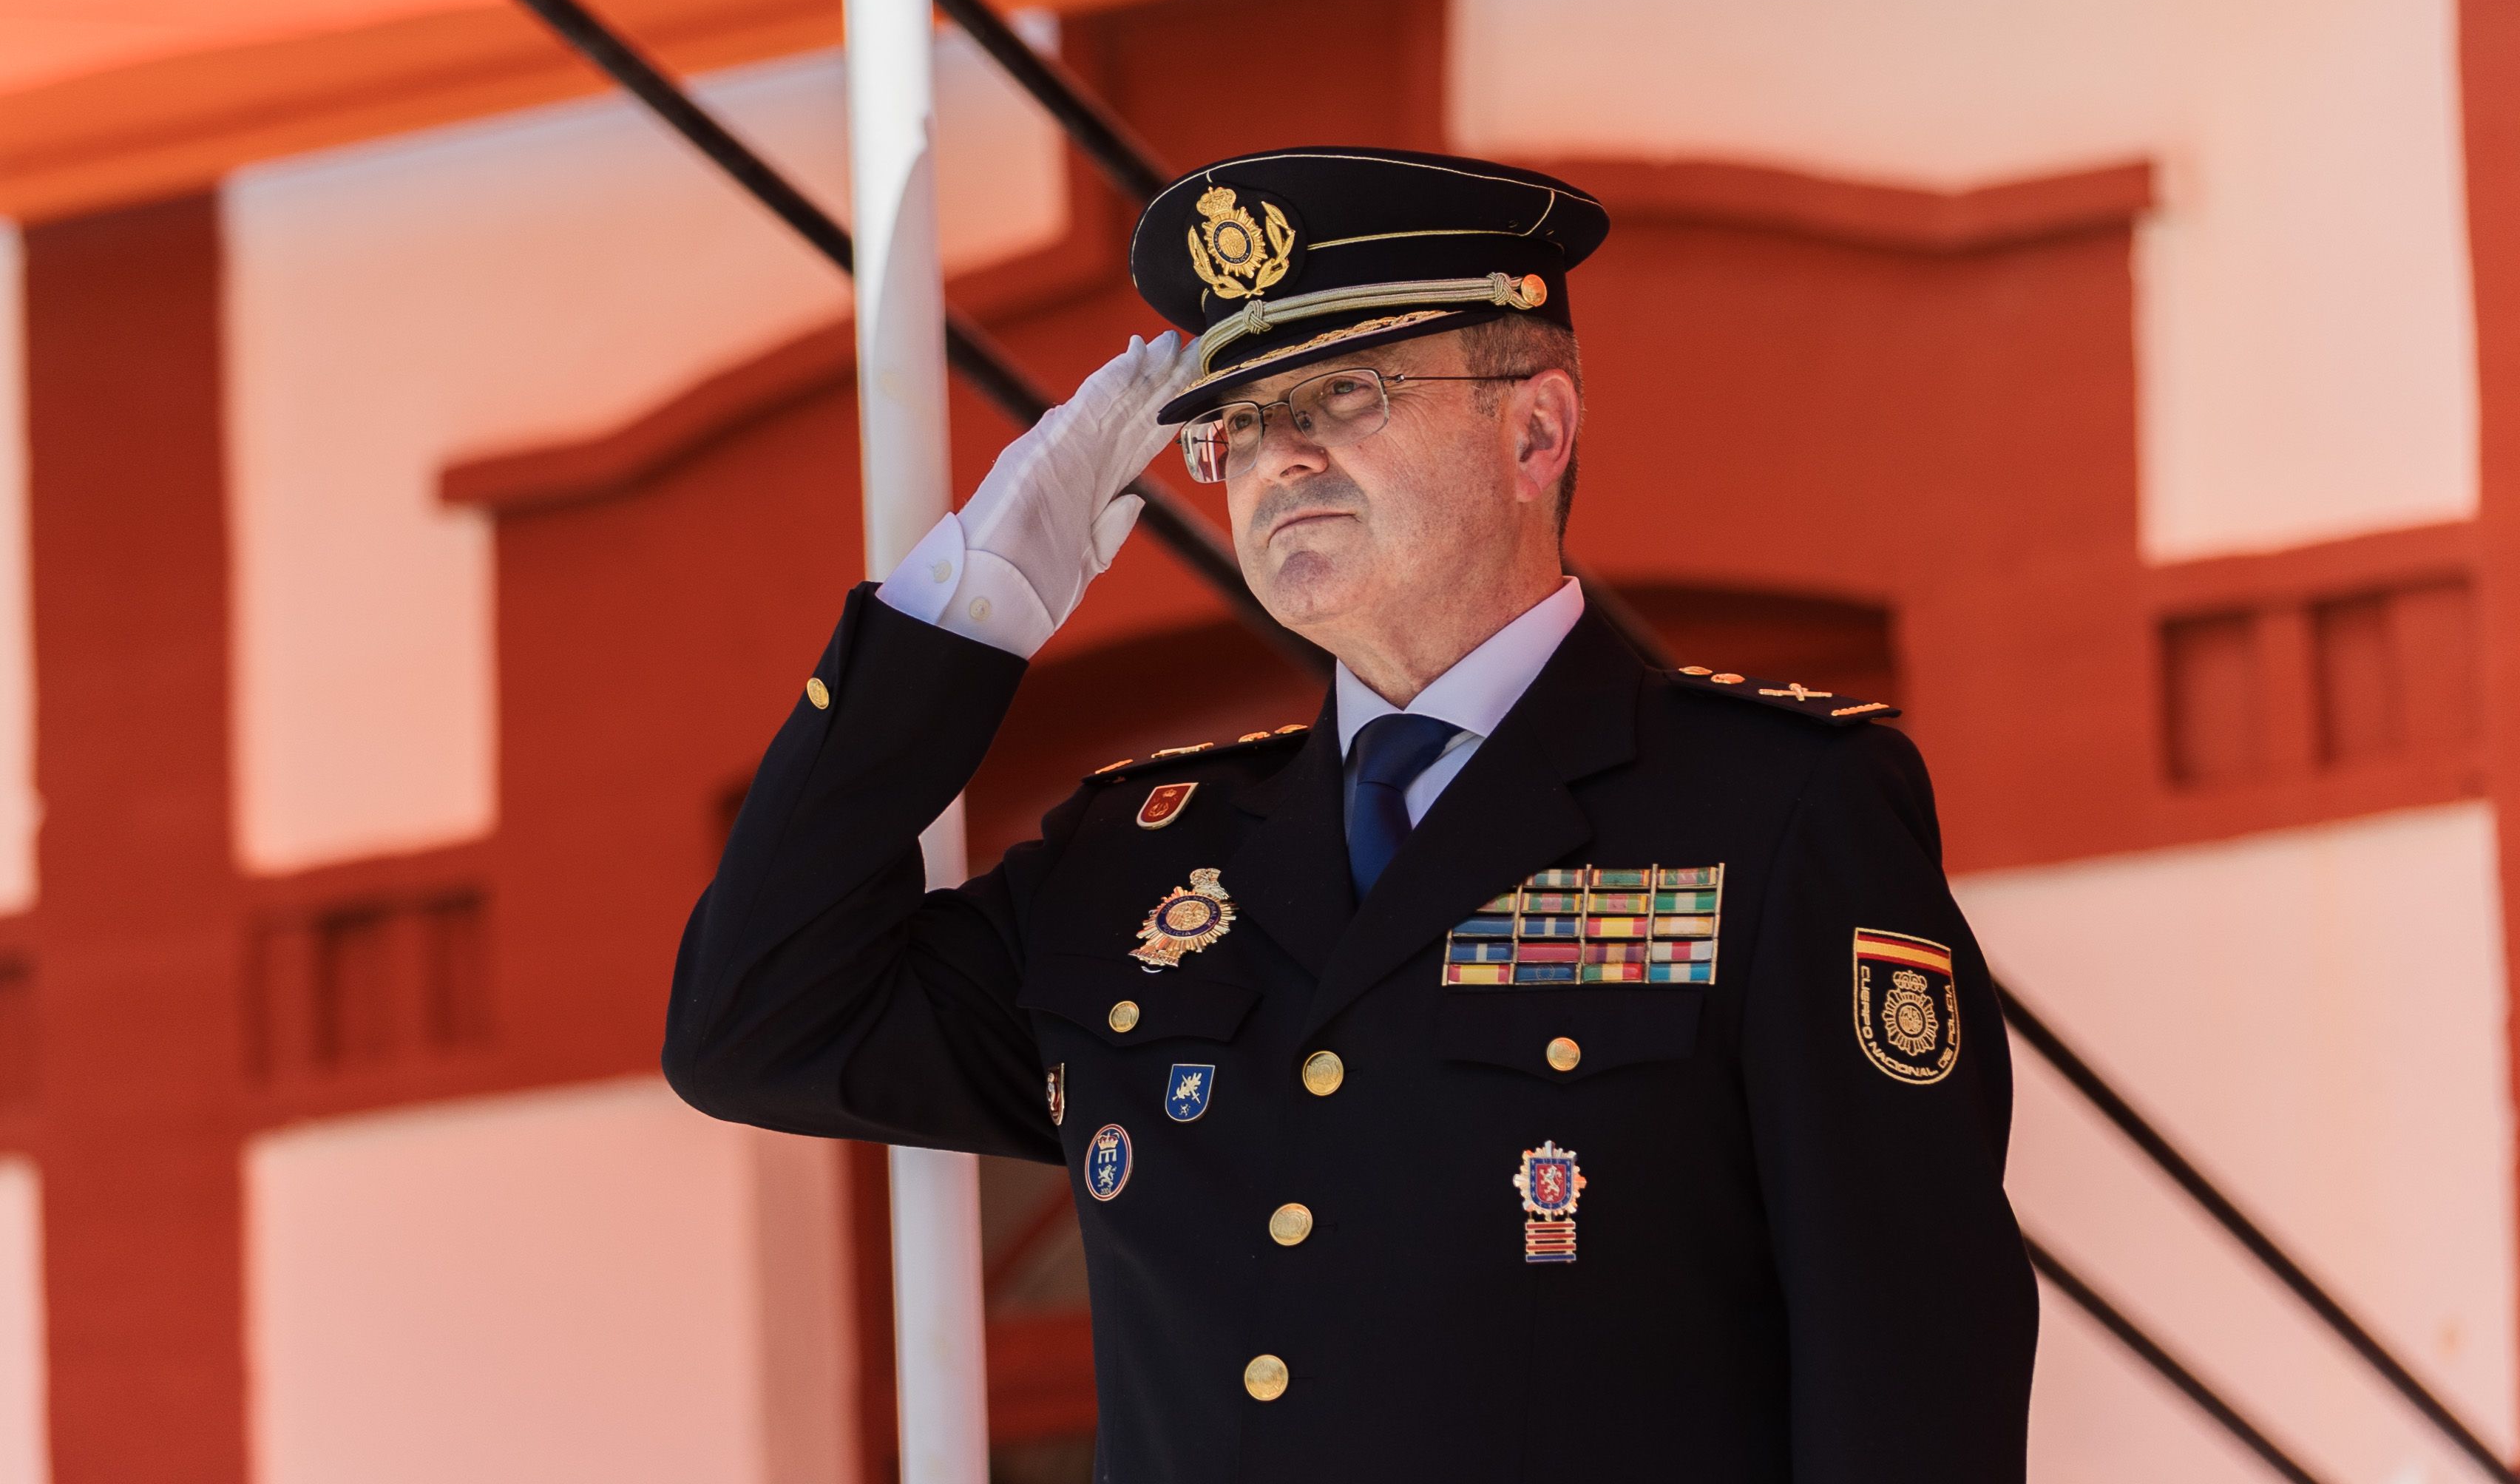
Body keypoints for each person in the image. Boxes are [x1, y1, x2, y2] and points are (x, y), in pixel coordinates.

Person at [665, 146, 2038, 1483]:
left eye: (1345, 390)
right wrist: (975, 601)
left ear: (1535, 429)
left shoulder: (1771, 814)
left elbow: (1909, 1371)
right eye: (1243, 420)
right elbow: (756, 1024)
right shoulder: (1137, 865)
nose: (1282, 457)